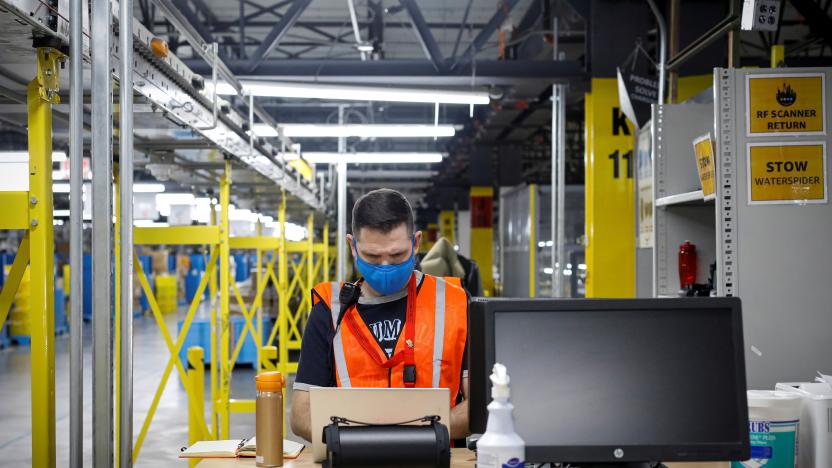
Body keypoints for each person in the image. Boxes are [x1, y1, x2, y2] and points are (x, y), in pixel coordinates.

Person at [290, 188, 470, 442]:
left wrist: (412, 438)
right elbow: (300, 416)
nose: (385, 267)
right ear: (352, 246)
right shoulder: (329, 311)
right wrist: (364, 443)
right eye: (372, 257)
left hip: (434, 459)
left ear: (416, 243)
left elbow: (479, 407)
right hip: (353, 461)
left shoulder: (456, 303)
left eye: (397, 256)